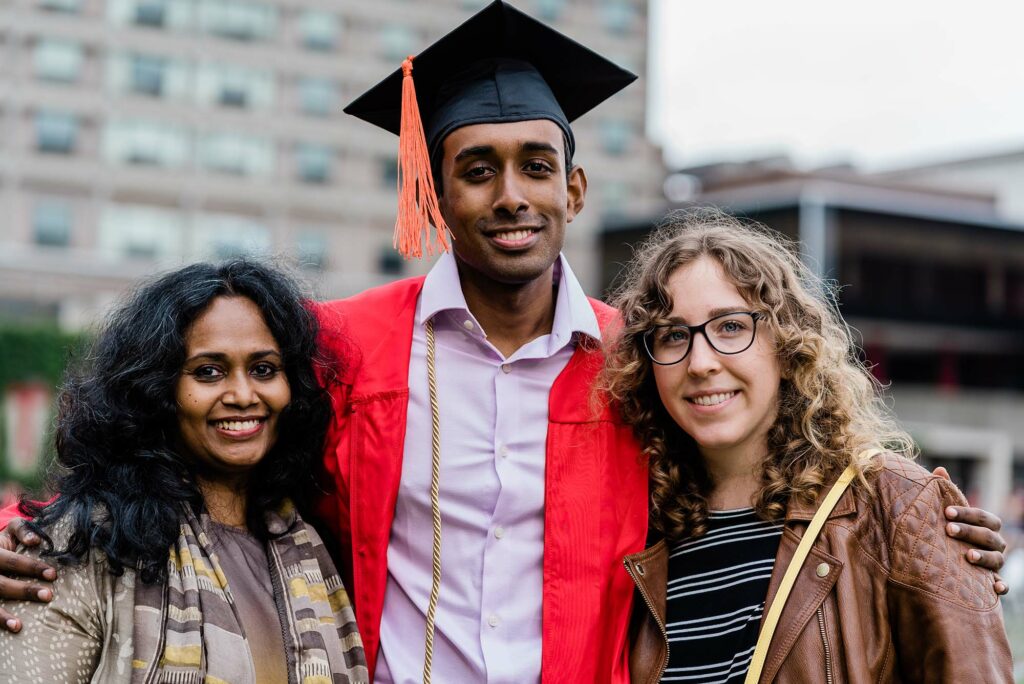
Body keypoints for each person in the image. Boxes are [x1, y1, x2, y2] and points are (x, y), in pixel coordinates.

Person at [0, 3, 1009, 682]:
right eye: (475, 168)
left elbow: (765, 482)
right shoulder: (338, 349)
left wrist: (929, 539)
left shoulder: (639, 361)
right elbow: (187, 447)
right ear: (433, 192)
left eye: (536, 164)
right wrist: (38, 540)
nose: (510, 194)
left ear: (573, 188)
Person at [602, 209, 1013, 683]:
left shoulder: (893, 507)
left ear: (786, 341)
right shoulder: (640, 524)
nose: (700, 362)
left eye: (730, 326)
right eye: (673, 335)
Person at [0, 261, 368, 683]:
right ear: (156, 389)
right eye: (208, 371)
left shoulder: (310, 550)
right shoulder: (82, 545)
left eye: (263, 369)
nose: (243, 394)